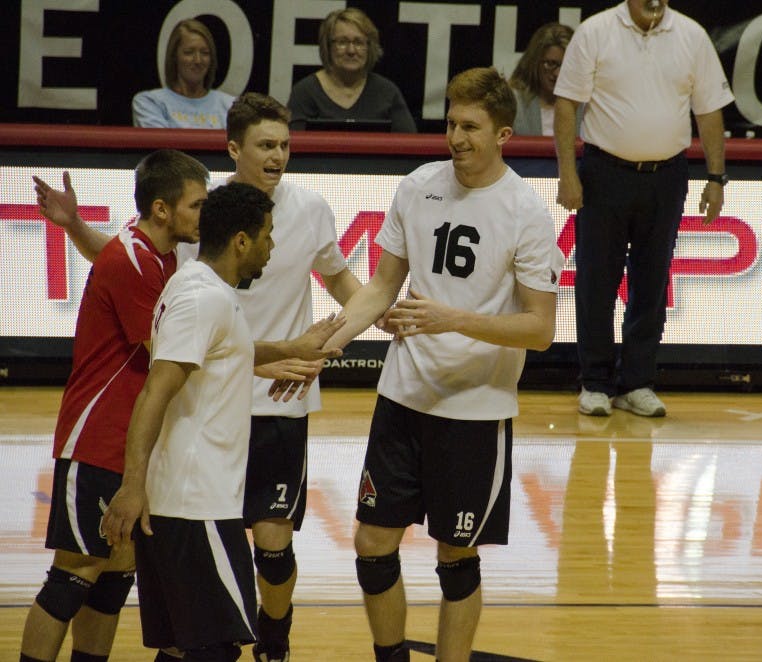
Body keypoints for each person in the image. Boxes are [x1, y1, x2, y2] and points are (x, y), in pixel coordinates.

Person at [36, 93, 363, 662]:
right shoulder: (185, 268)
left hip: (226, 429)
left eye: (286, 144)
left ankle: (275, 641)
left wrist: (315, 345)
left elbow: (213, 344)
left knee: (127, 586)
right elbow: (168, 367)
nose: (279, 155)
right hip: (139, 445)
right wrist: (282, 351)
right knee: (97, 586)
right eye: (267, 144)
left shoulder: (178, 261)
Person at [323, 66, 562, 662]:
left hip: (475, 411)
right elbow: (381, 287)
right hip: (403, 396)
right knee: (372, 542)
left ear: (503, 133)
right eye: (451, 123)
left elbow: (540, 329)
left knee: (456, 556)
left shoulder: (526, 213)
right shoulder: (418, 186)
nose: (456, 137)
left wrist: (452, 319)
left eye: (471, 126)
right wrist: (331, 339)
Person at [100, 182, 344, 662]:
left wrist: (292, 348)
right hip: (195, 505)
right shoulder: (203, 299)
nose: (272, 248)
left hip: (184, 503)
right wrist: (132, 486)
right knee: (216, 649)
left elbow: (224, 347)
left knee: (179, 648)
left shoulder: (196, 287)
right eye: (267, 237)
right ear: (240, 240)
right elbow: (155, 391)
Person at [19, 150, 209, 662]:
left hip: (131, 439)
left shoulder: (154, 250)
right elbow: (167, 352)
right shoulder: (136, 259)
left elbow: (109, 255)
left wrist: (75, 225)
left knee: (113, 575)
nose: (204, 214)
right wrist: (261, 359)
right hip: (98, 438)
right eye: (197, 204)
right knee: (73, 575)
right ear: (164, 209)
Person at [554, 0, 734, 417]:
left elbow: (708, 110)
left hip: (667, 176)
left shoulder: (691, 36)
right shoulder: (596, 31)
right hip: (604, 171)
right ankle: (595, 382)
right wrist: (568, 173)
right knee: (597, 280)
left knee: (652, 281)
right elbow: (567, 104)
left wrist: (716, 177)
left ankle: (637, 381)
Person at [287, 8, 416, 132]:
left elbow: (410, 146)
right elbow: (293, 145)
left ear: (369, 47)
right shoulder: (305, 92)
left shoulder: (387, 92)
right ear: (327, 46)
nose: (351, 51)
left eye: (358, 43)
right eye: (342, 42)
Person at [132, 18, 235, 129]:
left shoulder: (231, 105)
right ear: (174, 57)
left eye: (205, 53)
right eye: (189, 52)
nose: (198, 60)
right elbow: (162, 145)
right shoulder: (150, 102)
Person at [509, 23, 580, 137]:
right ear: (534, 63)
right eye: (551, 64)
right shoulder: (513, 104)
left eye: (566, 65)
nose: (558, 74)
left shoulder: (586, 107)